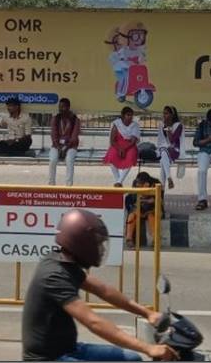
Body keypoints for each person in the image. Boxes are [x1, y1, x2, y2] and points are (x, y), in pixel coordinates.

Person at [21, 209, 177, 362]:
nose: (101, 249)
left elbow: (104, 290)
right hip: (49, 358)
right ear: (81, 243)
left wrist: (147, 313)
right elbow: (93, 322)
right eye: (97, 244)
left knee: (132, 359)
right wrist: (148, 348)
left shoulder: (64, 263)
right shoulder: (54, 276)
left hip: (69, 349)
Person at [124, 172, 163, 248]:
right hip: (140, 208)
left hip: (153, 208)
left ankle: (156, 240)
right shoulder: (135, 183)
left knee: (152, 216)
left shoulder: (156, 183)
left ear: (147, 183)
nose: (138, 184)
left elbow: (159, 199)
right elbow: (132, 198)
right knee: (132, 215)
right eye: (138, 183)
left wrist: (147, 197)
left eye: (140, 183)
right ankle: (129, 239)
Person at [104, 107, 140, 187]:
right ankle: (118, 181)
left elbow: (133, 141)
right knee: (111, 155)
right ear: (123, 116)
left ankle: (119, 181)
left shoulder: (135, 125)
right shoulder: (117, 124)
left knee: (131, 157)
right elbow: (112, 140)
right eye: (128, 115)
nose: (130, 117)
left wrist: (124, 149)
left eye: (131, 115)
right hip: (117, 145)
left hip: (130, 146)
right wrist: (119, 148)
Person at [50, 98, 81, 186]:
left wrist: (65, 148)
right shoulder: (55, 119)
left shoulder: (75, 120)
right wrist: (59, 148)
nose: (60, 109)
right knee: (53, 160)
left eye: (63, 107)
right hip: (57, 146)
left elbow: (74, 137)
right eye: (59, 107)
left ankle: (69, 185)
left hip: (71, 146)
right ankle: (51, 184)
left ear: (68, 107)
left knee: (69, 160)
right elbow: (53, 135)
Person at [155, 105, 182, 190]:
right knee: (163, 153)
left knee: (163, 156)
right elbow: (160, 142)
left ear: (172, 115)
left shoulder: (178, 125)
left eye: (166, 113)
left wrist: (167, 128)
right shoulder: (161, 125)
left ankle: (162, 189)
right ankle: (168, 178)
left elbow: (172, 140)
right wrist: (165, 126)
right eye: (163, 113)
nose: (164, 115)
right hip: (163, 149)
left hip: (174, 149)